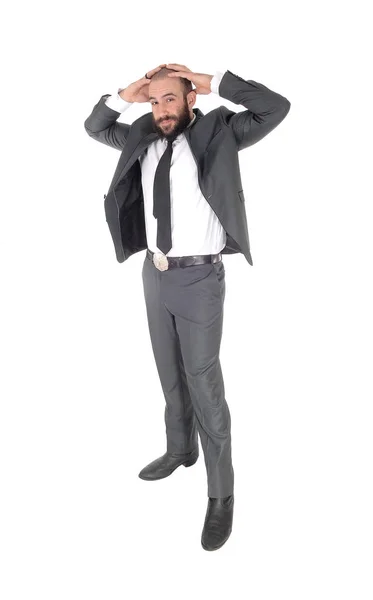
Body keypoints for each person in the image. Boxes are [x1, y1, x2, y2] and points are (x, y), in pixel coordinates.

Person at [84, 63, 291, 551]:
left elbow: (275, 108)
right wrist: (127, 94)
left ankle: (222, 496)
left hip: (200, 277)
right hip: (154, 274)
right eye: (155, 102)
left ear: (190, 99)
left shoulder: (220, 130)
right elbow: (95, 127)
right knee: (168, 371)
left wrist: (213, 81)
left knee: (203, 380)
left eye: (170, 99)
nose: (162, 109)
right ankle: (180, 448)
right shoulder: (141, 131)